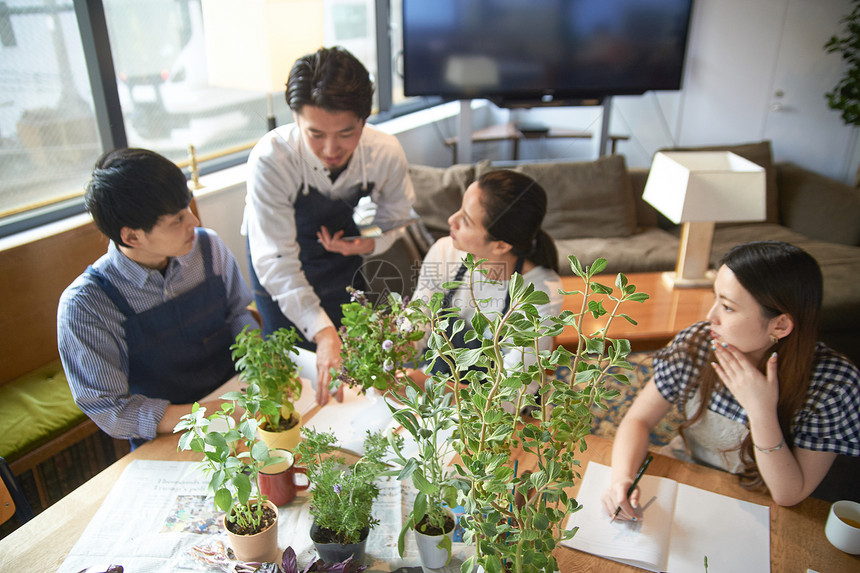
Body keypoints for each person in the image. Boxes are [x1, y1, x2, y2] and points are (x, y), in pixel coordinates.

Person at [603, 241, 860, 519]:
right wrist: (622, 478)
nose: (710, 316)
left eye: (727, 307)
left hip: (760, 508)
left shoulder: (835, 385)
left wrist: (760, 410)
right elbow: (638, 420)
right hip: (688, 479)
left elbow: (788, 493)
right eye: (716, 298)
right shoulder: (699, 342)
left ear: (780, 325)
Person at [244, 46, 415, 406]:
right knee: (296, 377)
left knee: (351, 370)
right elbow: (276, 259)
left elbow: (396, 218)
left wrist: (368, 244)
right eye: (316, 134)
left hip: (343, 261)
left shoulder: (384, 152)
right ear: (295, 117)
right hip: (279, 268)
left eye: (346, 133)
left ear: (364, 120)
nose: (331, 149)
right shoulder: (271, 158)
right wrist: (321, 332)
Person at [58, 148, 257, 448]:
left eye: (187, 206)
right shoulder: (86, 305)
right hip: (169, 436)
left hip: (240, 405)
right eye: (177, 219)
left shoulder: (208, 248)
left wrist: (257, 366)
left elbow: (239, 312)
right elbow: (109, 408)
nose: (192, 221)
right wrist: (202, 415)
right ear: (132, 237)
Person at [408, 169, 563, 387]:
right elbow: (418, 321)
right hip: (434, 382)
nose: (451, 219)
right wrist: (392, 351)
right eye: (459, 209)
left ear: (501, 245)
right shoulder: (445, 251)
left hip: (495, 410)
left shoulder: (539, 294)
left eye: (467, 220)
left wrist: (428, 387)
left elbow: (510, 394)